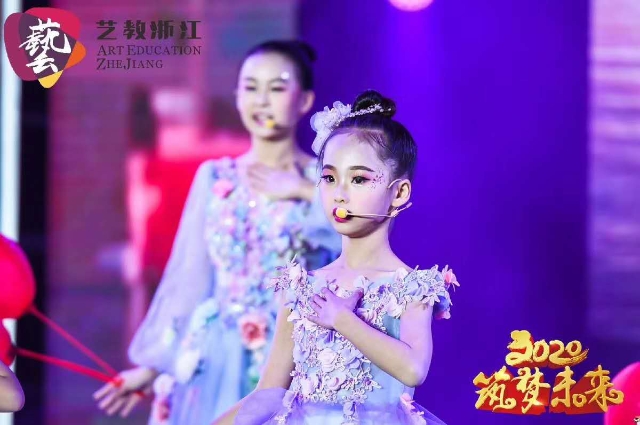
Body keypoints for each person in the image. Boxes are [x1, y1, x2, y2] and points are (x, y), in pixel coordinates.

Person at [93, 40, 341, 424]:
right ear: (237, 97)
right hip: (216, 355)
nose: (262, 100)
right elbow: (189, 278)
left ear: (304, 100)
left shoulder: (327, 181)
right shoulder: (215, 177)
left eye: (276, 88)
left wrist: (304, 190)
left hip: (295, 355)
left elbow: (355, 246)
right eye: (251, 87)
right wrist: (153, 368)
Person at [213, 90, 459, 424]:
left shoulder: (412, 287)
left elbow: (413, 369)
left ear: (399, 193)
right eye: (329, 178)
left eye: (359, 179)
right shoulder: (302, 287)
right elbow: (270, 391)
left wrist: (343, 319)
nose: (339, 194)